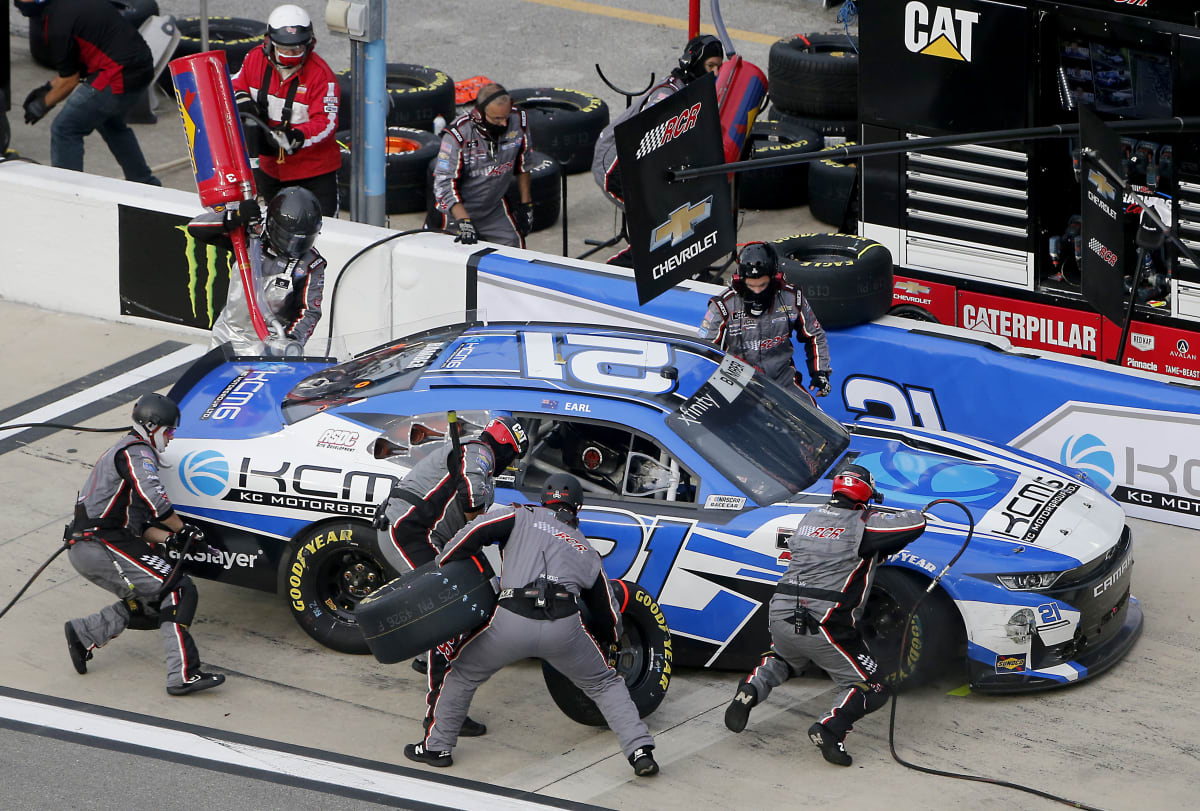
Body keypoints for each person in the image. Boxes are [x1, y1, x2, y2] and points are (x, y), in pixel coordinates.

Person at [408, 474, 659, 777]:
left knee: (460, 673)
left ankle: (437, 748)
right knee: (605, 683)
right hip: (564, 626)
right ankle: (640, 752)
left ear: (544, 498)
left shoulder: (521, 514)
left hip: (511, 618)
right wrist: (609, 641)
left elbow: (474, 531)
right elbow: (607, 611)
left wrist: (444, 561)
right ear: (577, 507)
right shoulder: (586, 549)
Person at [723, 464, 927, 766]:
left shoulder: (810, 517)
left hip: (780, 610)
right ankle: (830, 729)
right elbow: (913, 525)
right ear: (864, 491)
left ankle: (750, 691)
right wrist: (922, 511)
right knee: (875, 685)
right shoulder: (864, 523)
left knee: (785, 658)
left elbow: (845, 555)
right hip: (825, 621)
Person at [373, 415, 530, 738]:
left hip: (423, 536)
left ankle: (425, 661)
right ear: (504, 447)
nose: (511, 464)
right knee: (444, 621)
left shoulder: (478, 454)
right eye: (512, 456)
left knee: (456, 607)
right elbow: (472, 499)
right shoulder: (479, 451)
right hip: (408, 532)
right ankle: (444, 715)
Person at [63, 393, 225, 695]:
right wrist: (183, 527)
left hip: (103, 542)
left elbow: (140, 526)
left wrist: (175, 537)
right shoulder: (136, 451)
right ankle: (183, 675)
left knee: (155, 605)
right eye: (170, 430)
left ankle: (85, 632)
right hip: (100, 543)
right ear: (151, 427)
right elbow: (154, 496)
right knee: (178, 589)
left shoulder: (130, 452)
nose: (173, 436)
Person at [16, 0, 160, 185]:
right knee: (111, 124)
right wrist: (46, 90)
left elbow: (69, 81)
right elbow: (68, 74)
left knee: (65, 129)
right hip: (142, 66)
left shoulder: (56, 25)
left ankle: (68, 193)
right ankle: (145, 183)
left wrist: (42, 104)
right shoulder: (68, 7)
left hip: (115, 75)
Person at [591, 34, 724, 212]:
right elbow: (642, 137)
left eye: (719, 67)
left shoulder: (691, 92)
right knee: (654, 220)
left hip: (637, 163)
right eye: (711, 66)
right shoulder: (667, 95)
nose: (715, 73)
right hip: (614, 163)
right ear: (693, 63)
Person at [187, 186, 326, 356]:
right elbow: (195, 227)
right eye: (287, 238)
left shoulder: (311, 265)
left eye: (300, 241)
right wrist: (234, 217)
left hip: (272, 346)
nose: (292, 246)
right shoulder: (248, 235)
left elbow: (309, 311)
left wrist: (290, 341)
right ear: (272, 224)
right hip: (227, 338)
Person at [231, 4, 341, 216]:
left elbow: (327, 122)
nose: (291, 55)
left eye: (297, 49)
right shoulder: (254, 58)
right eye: (284, 49)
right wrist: (241, 98)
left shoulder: (322, 77)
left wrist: (297, 136)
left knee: (324, 231)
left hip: (314, 173)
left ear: (309, 45)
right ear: (270, 43)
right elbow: (236, 82)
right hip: (269, 170)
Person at [699, 242, 833, 398]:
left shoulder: (792, 297)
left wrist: (820, 371)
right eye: (751, 285)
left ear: (774, 278)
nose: (756, 291)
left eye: (762, 285)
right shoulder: (722, 305)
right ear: (740, 280)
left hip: (782, 379)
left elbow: (815, 335)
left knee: (812, 419)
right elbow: (704, 351)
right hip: (735, 381)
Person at [428, 84, 533, 248]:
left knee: (515, 249)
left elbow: (524, 163)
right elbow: (443, 184)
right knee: (446, 257)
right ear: (480, 114)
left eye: (506, 116)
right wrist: (464, 222)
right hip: (455, 214)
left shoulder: (519, 120)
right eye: (497, 119)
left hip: (493, 209)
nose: (504, 124)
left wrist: (527, 204)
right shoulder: (458, 135)